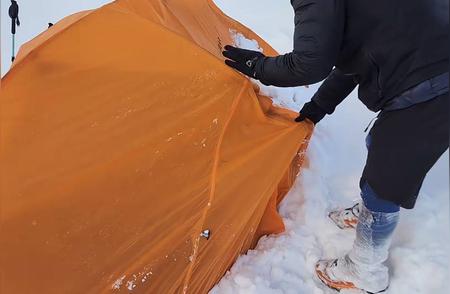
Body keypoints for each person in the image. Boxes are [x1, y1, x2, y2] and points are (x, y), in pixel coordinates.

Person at [222, 0, 449, 293]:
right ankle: (370, 213)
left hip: (434, 83)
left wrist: (258, 65)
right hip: (429, 61)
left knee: (387, 180)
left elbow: (308, 64)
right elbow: (356, 51)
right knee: (383, 147)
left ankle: (366, 268)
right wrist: (320, 105)